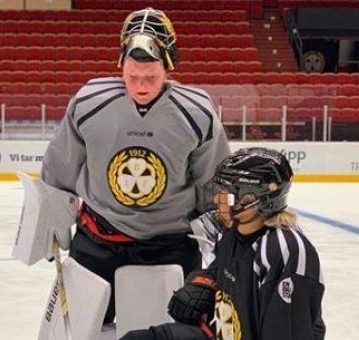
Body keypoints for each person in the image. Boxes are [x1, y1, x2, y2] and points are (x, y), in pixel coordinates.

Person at [41, 7, 231, 324]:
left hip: (171, 245)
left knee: (171, 331)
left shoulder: (197, 113)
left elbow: (213, 187)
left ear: (168, 67)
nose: (141, 86)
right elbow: (59, 170)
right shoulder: (90, 102)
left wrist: (216, 254)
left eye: (151, 77)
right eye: (132, 77)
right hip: (98, 240)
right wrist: (50, 226)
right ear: (121, 67)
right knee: (75, 328)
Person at [121, 147, 326, 340]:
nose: (219, 197)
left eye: (229, 191)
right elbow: (218, 270)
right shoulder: (233, 233)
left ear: (256, 198)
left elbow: (286, 330)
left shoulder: (282, 250)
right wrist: (202, 283)